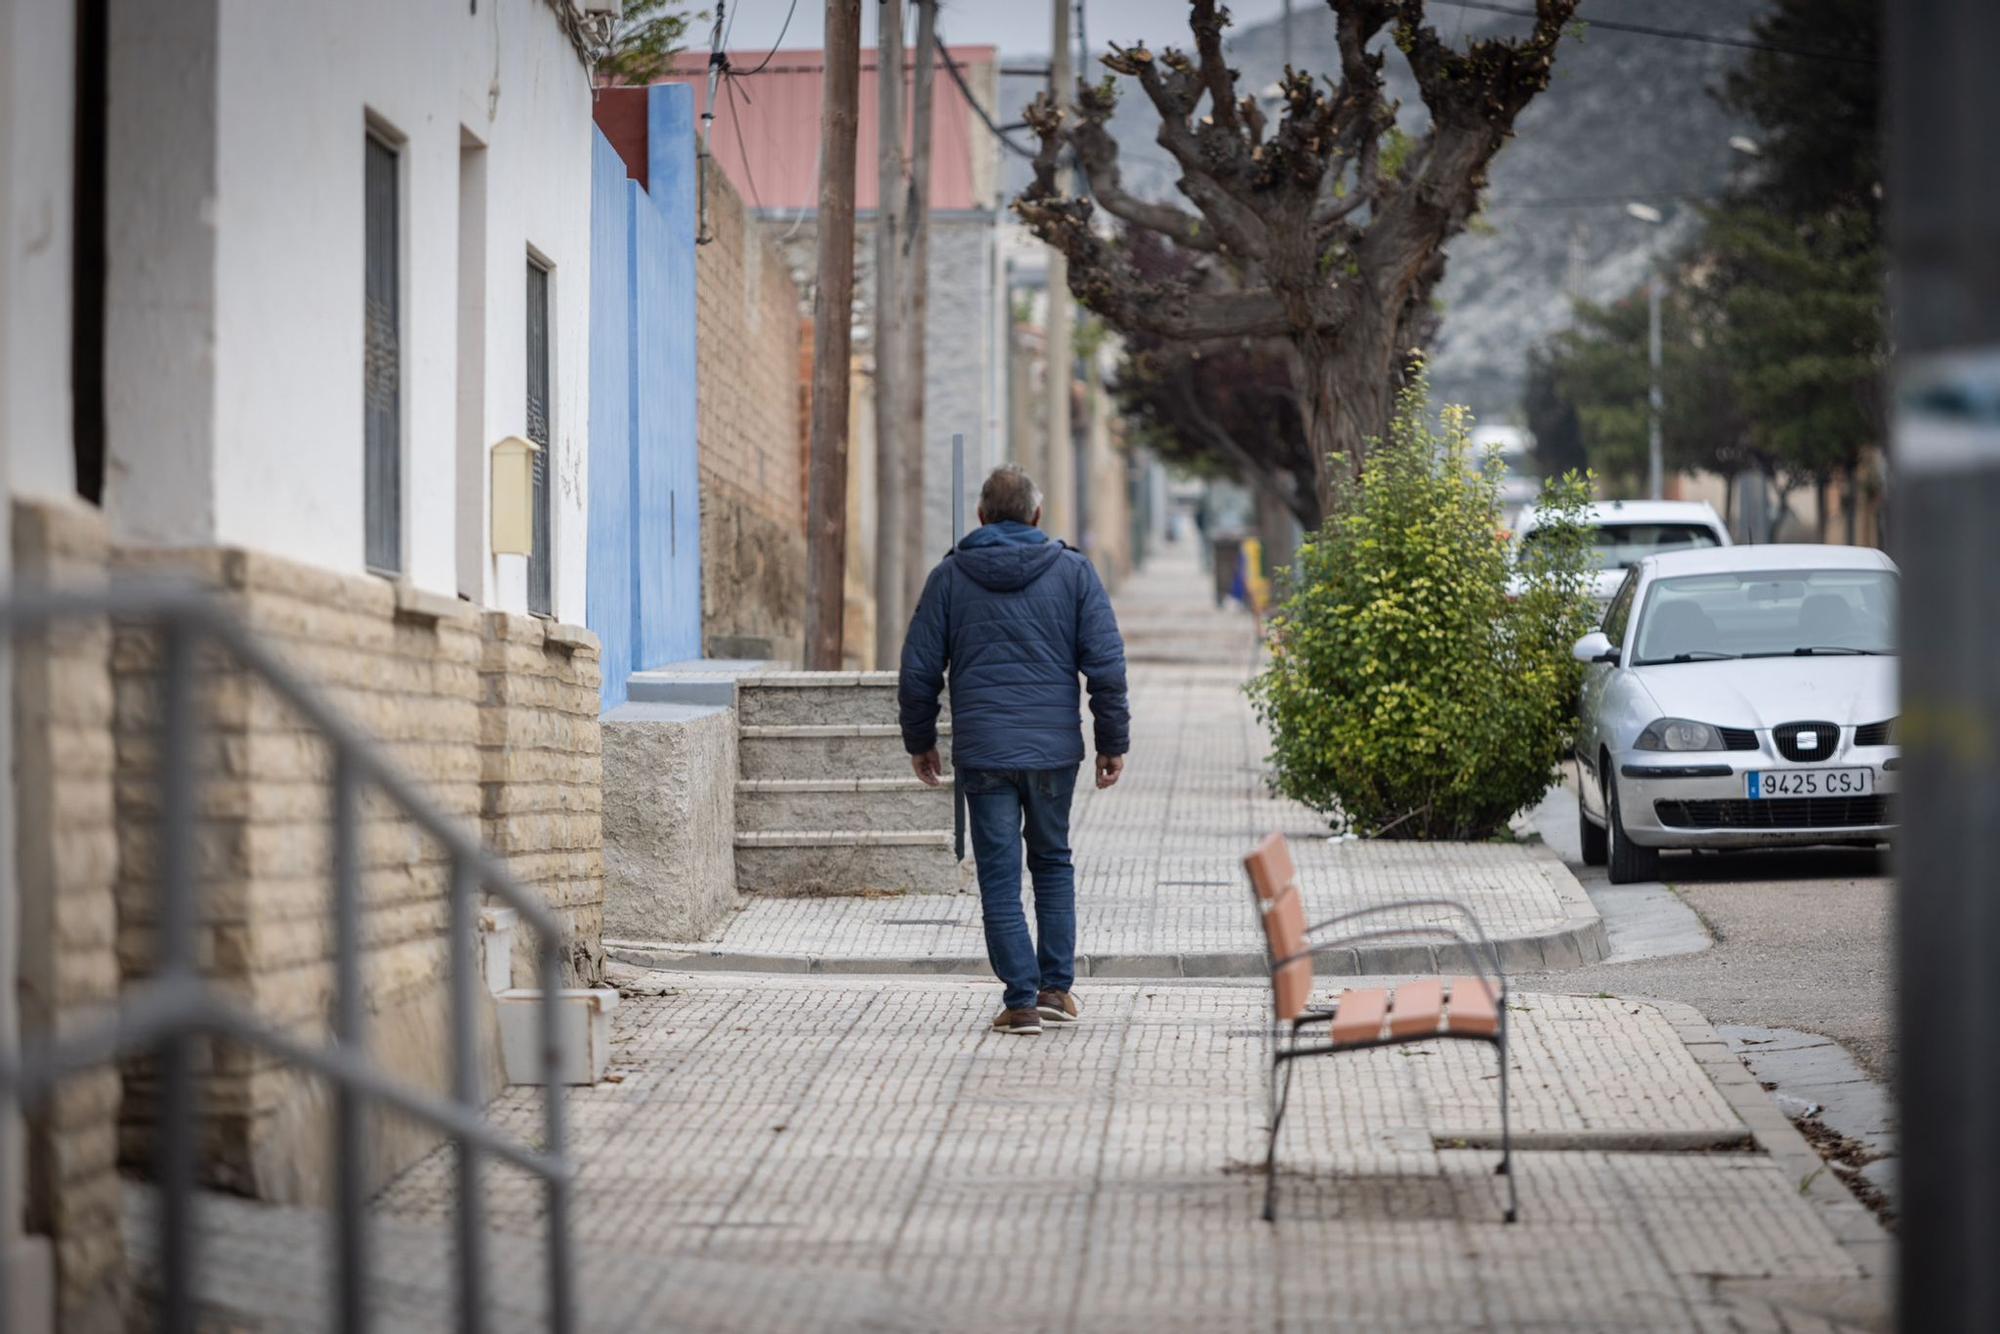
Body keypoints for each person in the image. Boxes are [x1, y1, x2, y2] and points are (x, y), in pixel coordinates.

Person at [898, 465, 1130, 1036]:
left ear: (980, 518)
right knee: (1052, 861)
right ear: (1037, 516)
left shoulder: (950, 576)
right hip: (1054, 751)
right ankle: (1056, 988)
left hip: (984, 755)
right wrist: (1111, 741)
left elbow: (918, 670)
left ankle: (1021, 1000)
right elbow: (1105, 665)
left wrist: (921, 740)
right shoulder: (1074, 572)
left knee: (999, 875)